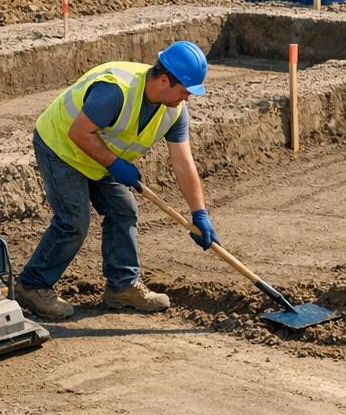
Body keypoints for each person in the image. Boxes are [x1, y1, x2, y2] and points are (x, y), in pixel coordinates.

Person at [14, 41, 218, 320]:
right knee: (73, 221)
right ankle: (32, 285)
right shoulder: (116, 91)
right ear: (163, 80)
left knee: (123, 209)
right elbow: (79, 133)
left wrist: (199, 212)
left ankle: (122, 287)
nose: (187, 99)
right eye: (185, 91)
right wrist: (114, 164)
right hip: (61, 146)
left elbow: (183, 162)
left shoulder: (174, 111)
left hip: (101, 156)